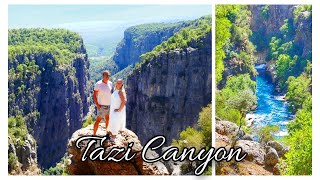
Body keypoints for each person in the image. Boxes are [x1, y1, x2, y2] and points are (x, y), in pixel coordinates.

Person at [93, 70, 113, 136]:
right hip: (102, 106)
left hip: (109, 105)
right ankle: (94, 134)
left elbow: (110, 93)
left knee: (108, 119)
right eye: (106, 75)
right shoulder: (98, 84)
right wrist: (97, 105)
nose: (108, 77)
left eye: (108, 75)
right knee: (98, 120)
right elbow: (94, 95)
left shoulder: (110, 83)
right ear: (103, 76)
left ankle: (107, 133)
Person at [108, 79, 127, 143]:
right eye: (117, 83)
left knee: (115, 123)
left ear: (122, 84)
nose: (118, 84)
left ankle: (113, 138)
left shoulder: (121, 91)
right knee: (113, 122)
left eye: (119, 83)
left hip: (117, 111)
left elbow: (124, 101)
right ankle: (112, 135)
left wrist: (119, 110)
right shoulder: (117, 90)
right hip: (114, 109)